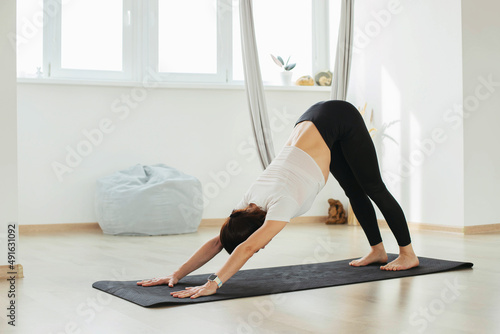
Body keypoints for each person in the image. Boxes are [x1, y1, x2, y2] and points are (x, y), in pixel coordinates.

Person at [137, 100, 419, 299]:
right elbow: (218, 241)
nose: (261, 247)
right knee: (354, 192)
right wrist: (176, 274)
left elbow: (246, 248)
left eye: (260, 245)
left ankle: (408, 254)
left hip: (339, 116)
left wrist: (215, 283)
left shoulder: (281, 203)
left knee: (373, 187)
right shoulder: (248, 202)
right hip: (314, 120)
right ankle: (377, 251)